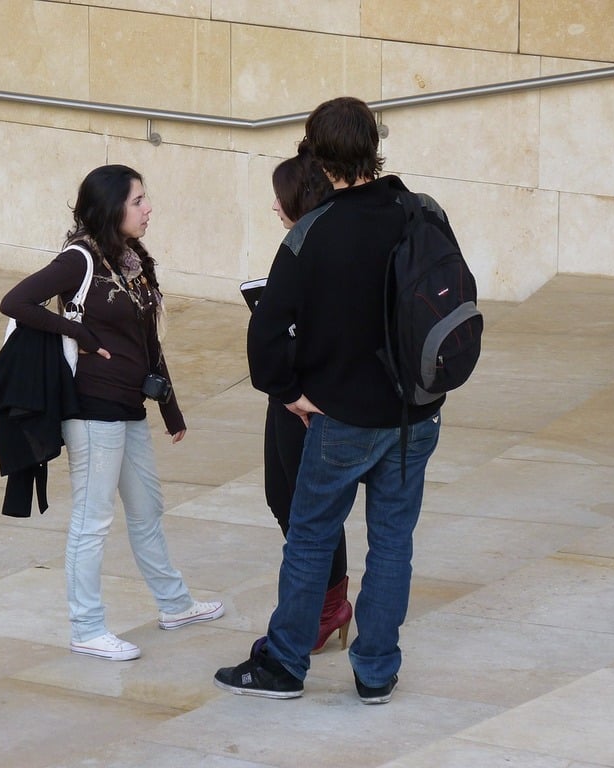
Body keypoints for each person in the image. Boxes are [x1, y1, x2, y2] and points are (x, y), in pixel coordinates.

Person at [214, 97, 447, 702]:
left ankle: (285, 666)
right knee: (393, 542)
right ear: (375, 143)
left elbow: (267, 331)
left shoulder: (313, 233)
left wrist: (287, 391)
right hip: (414, 416)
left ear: (316, 156)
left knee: (310, 537)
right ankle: (375, 672)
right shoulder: (421, 211)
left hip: (342, 418)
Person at [0, 164, 224, 661]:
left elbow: (147, 340)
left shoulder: (132, 259)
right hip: (91, 408)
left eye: (145, 199)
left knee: (147, 508)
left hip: (128, 405)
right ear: (111, 208)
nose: (148, 209)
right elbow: (15, 301)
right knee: (92, 518)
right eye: (138, 201)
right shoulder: (79, 260)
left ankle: (175, 605)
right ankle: (86, 628)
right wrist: (78, 334)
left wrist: (171, 409)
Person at [264, 152, 352, 654]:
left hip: (314, 398)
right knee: (282, 497)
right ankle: (324, 600)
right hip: (286, 391)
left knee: (311, 507)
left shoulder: (321, 245)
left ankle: (328, 605)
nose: (274, 206)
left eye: (280, 196)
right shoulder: (296, 244)